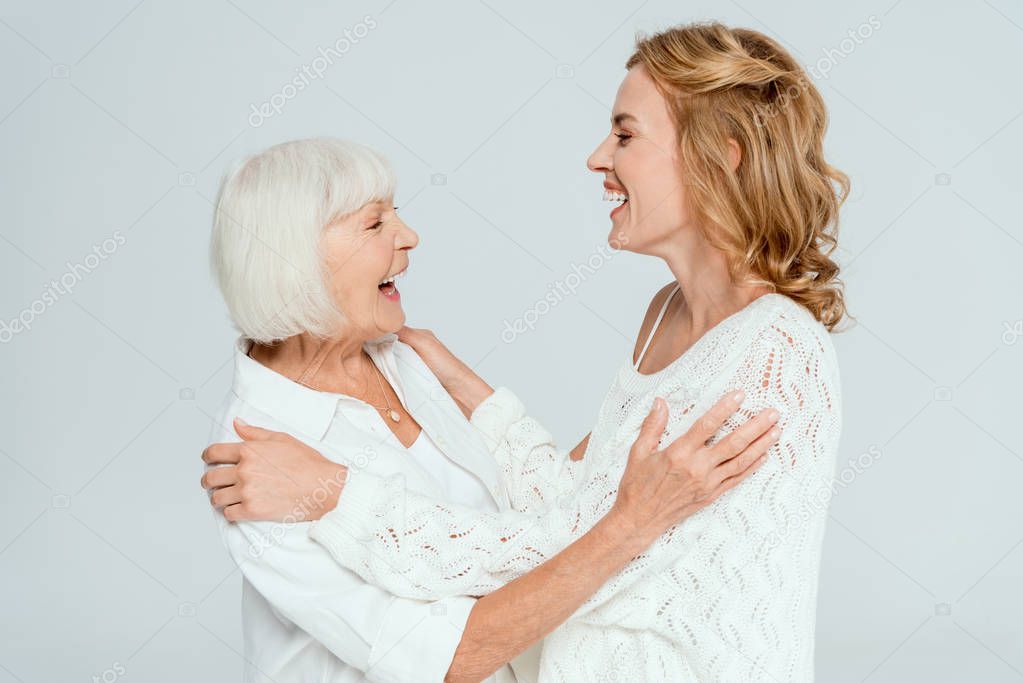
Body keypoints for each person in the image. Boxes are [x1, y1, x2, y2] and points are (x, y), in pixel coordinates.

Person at [201, 134, 779, 682]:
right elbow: (452, 659)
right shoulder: (259, 465)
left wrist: (486, 401)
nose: (409, 237)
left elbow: (535, 518)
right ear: (291, 261)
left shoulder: (404, 359)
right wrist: (634, 521)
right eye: (375, 223)